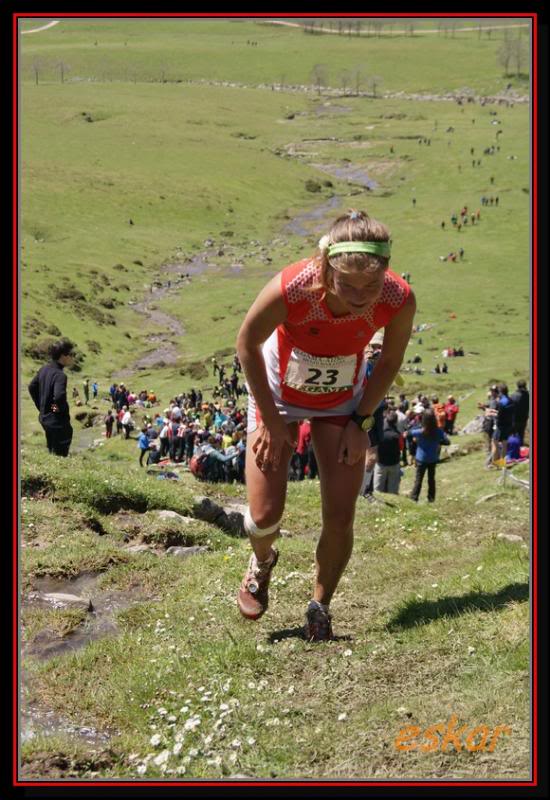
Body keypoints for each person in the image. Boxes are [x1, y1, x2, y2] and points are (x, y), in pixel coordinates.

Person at [234, 209, 416, 641]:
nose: (359, 296)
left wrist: (360, 420)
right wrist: (270, 420)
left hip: (341, 402)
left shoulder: (397, 298)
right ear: (325, 267)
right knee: (263, 516)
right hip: (278, 393)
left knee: (340, 513)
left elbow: (390, 361)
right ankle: (261, 562)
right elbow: (246, 343)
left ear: (386, 273)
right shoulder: (294, 286)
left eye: (370, 285)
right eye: (347, 284)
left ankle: (320, 605)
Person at [28, 338, 75, 457]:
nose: (72, 357)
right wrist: (60, 409)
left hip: (45, 418)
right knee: (60, 454)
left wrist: (42, 406)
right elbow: (59, 396)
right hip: (57, 422)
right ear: (63, 356)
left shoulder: (44, 369)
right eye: (71, 354)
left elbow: (31, 387)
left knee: (51, 448)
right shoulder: (60, 375)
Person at [408, 409, 449, 503]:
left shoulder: (420, 431)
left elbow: (408, 433)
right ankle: (431, 498)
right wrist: (438, 441)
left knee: (418, 480)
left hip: (421, 458)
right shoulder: (438, 431)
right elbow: (447, 441)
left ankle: (414, 498)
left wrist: (415, 440)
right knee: (431, 479)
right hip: (433, 458)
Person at [373, 411, 402, 494]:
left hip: (381, 463)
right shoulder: (398, 435)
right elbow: (401, 447)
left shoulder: (380, 433)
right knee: (392, 489)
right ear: (396, 421)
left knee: (378, 488)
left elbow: (375, 446)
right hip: (394, 463)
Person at [510, 379, 529, 445]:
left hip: (515, 419)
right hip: (524, 418)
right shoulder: (527, 395)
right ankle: (521, 449)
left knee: (514, 435)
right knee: (521, 435)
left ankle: (515, 450)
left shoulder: (513, 396)